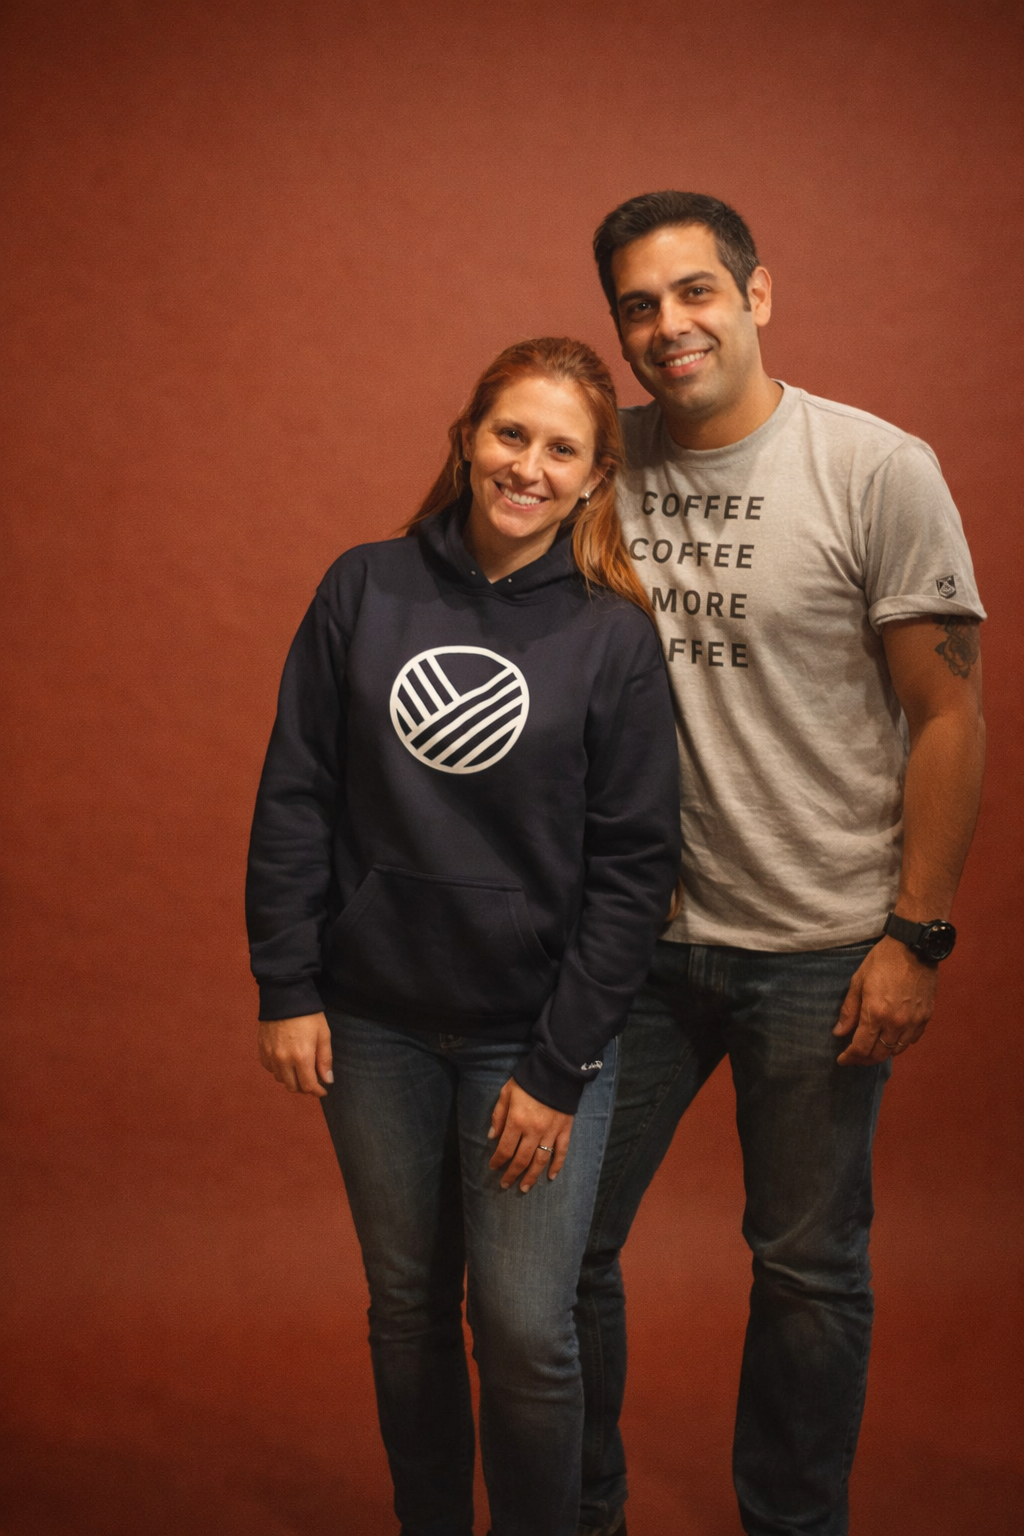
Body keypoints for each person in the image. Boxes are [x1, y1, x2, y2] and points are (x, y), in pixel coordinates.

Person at [574, 193, 986, 1536]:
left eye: (694, 291)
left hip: (818, 941)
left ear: (759, 295)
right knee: (554, 1250)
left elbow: (949, 713)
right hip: (632, 942)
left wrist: (913, 936)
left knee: (807, 1270)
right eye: (638, 303)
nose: (666, 325)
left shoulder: (874, 468)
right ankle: (578, 1512)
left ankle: (790, 1527)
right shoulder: (599, 462)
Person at [245, 336, 681, 1536]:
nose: (527, 466)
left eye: (560, 449)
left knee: (528, 1330)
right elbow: (297, 795)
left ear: (594, 478)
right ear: (467, 437)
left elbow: (633, 874)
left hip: (529, 1045)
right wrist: (286, 984)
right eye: (510, 434)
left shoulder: (612, 640)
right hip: (372, 1026)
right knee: (405, 1308)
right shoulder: (364, 586)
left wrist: (557, 1066)